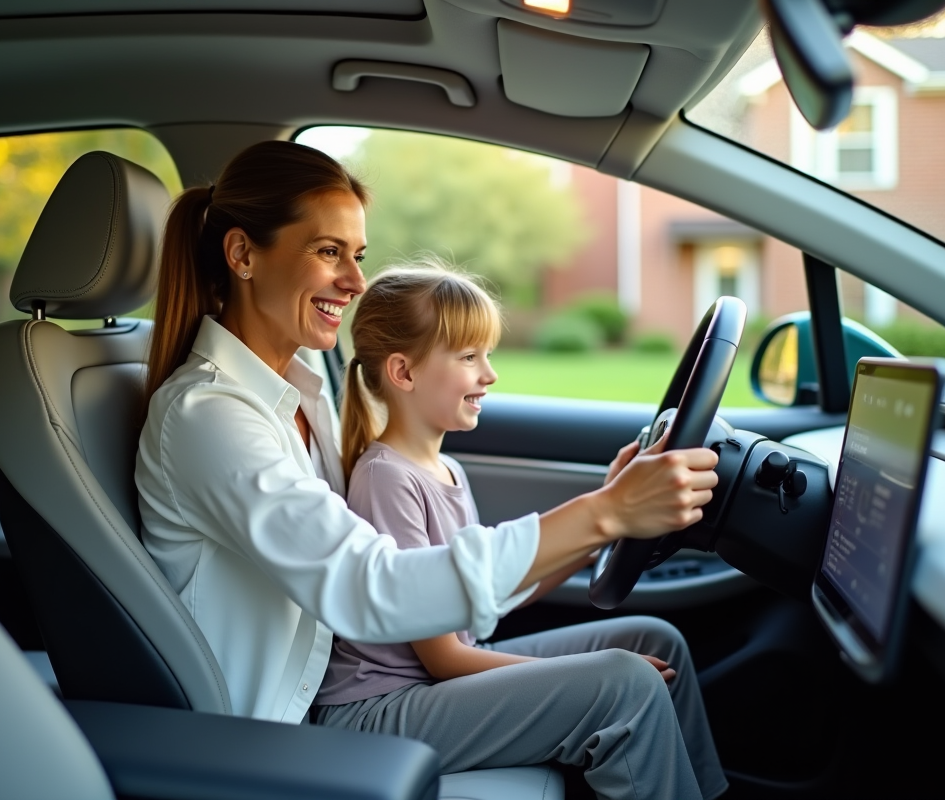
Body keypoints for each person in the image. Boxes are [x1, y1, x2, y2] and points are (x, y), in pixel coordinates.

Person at [135, 140, 723, 799]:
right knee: (622, 684)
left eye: (357, 256)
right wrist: (605, 513)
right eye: (329, 252)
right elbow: (366, 585)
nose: (356, 282)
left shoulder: (300, 392)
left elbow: (436, 594)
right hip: (275, 733)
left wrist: (605, 508)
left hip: (362, 691)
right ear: (243, 255)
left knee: (654, 642)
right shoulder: (209, 416)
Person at [313, 264, 726, 798]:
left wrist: (597, 535)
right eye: (468, 358)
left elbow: (493, 597)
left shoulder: (447, 471)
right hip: (382, 710)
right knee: (623, 679)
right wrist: (576, 673)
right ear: (404, 372)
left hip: (431, 685)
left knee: (653, 638)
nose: (490, 374)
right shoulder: (385, 478)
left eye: (487, 355)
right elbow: (444, 657)